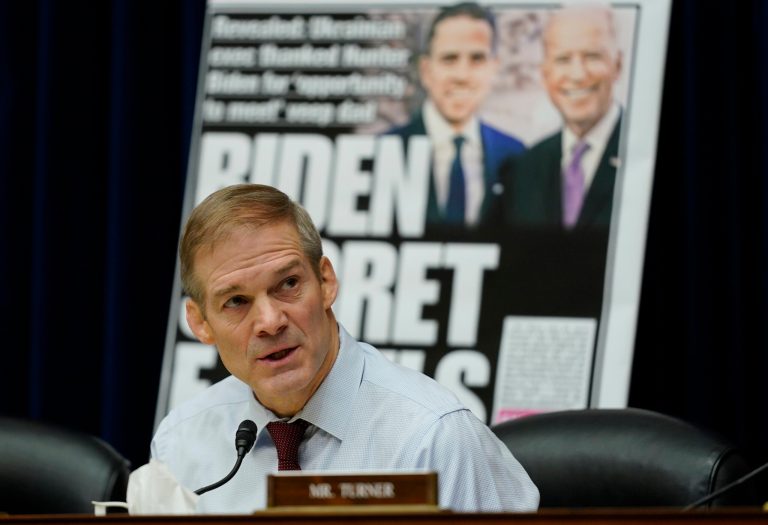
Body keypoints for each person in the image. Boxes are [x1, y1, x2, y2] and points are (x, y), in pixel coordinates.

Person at [151, 183, 539, 513]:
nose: (270, 322)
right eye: (236, 301)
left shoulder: (433, 438)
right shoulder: (181, 443)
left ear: (326, 282)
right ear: (200, 323)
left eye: (287, 284)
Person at [387, 2, 525, 230]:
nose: (462, 75)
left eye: (477, 59)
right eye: (449, 59)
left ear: (494, 68)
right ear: (426, 70)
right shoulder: (385, 150)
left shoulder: (516, 156)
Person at [504, 5, 623, 230]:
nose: (577, 74)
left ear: (617, 65)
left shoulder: (644, 151)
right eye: (563, 59)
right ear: (545, 74)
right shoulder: (525, 169)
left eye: (592, 56)